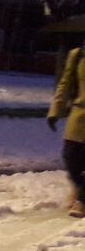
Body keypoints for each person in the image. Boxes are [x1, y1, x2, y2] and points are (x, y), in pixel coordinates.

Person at [47, 43, 85, 218]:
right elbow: (65, 82)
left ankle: (82, 201)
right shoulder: (77, 54)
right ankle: (79, 188)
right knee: (70, 156)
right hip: (80, 113)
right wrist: (55, 110)